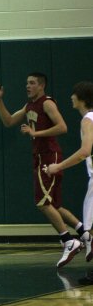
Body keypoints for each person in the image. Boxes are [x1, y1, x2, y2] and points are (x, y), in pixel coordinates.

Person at [0, 73, 89, 268]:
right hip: (40, 156)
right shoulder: (29, 106)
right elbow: (8, 121)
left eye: (32, 83)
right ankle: (84, 234)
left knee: (42, 203)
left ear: (41, 86)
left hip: (49, 156)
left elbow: (62, 127)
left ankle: (69, 240)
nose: (27, 86)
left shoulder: (47, 103)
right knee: (55, 205)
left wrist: (36, 133)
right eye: (26, 83)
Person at [45, 81, 93, 265]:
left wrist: (57, 166)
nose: (71, 97)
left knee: (90, 228)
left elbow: (85, 151)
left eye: (73, 94)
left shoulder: (88, 119)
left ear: (81, 98)